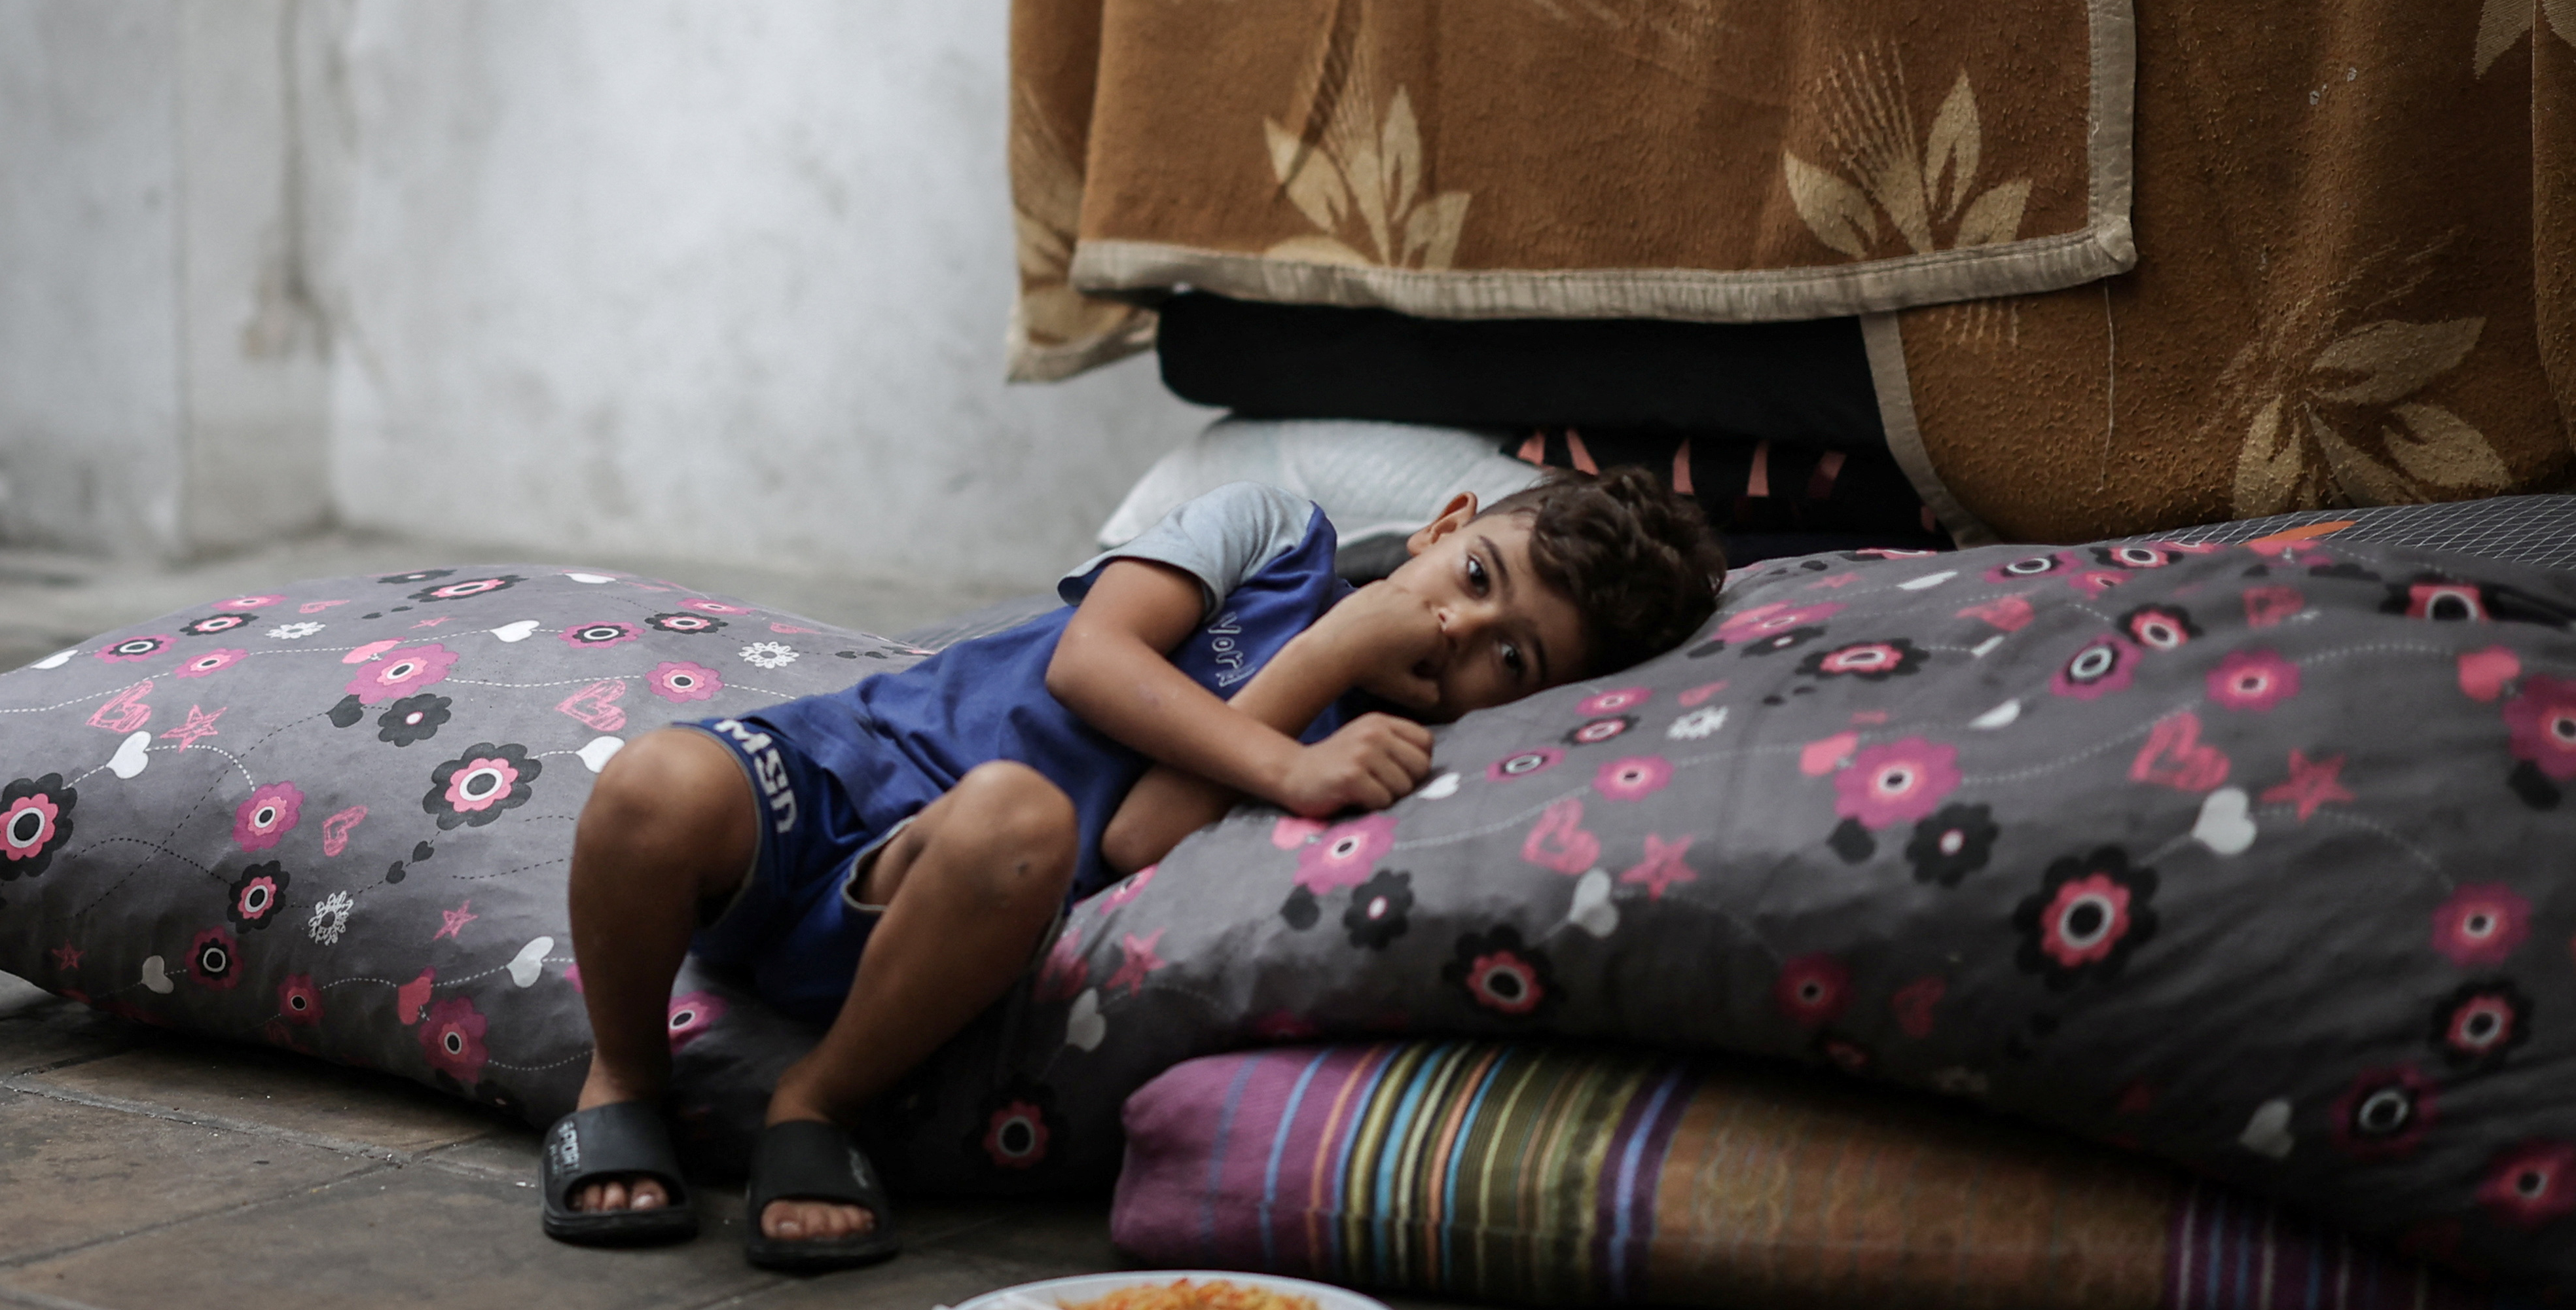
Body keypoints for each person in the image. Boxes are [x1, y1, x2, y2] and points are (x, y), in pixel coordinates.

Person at [539, 465, 1726, 1269]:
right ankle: (623, 1081)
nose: (1455, 635)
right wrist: (1309, 681)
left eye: (1508, 662)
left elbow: (1137, 840)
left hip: (936, 901)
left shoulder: (1366, 751)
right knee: (656, 782)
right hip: (836, 772)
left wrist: (1310, 707)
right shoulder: (1271, 530)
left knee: (1019, 817)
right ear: (1443, 523)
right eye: (1474, 581)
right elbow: (1089, 662)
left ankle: (818, 1103)